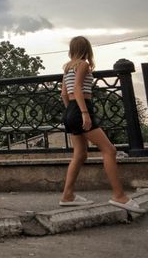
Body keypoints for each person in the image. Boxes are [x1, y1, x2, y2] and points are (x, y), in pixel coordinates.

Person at [59, 36, 144, 213]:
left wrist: (72, 112)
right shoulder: (83, 65)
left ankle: (68, 196)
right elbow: (77, 88)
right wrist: (83, 113)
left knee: (80, 154)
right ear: (86, 48)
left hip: (71, 111)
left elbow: (64, 94)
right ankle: (119, 196)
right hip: (82, 109)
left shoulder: (67, 67)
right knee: (109, 150)